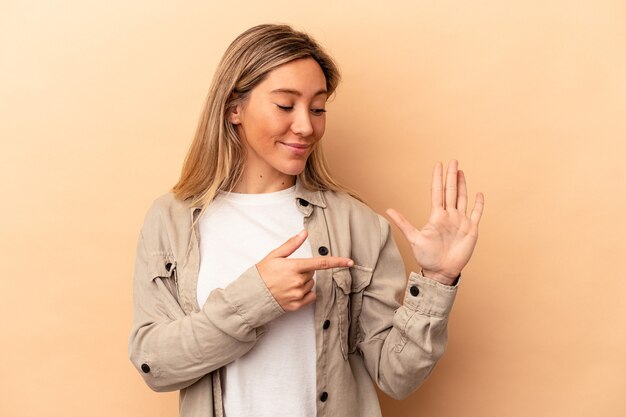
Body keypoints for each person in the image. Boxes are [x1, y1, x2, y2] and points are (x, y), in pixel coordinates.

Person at [128, 23, 484, 417]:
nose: (306, 126)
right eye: (285, 105)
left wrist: (437, 280)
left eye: (318, 108)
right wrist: (256, 298)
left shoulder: (357, 225)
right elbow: (155, 365)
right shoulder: (172, 221)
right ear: (234, 108)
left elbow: (396, 377)